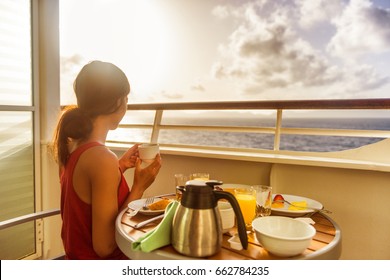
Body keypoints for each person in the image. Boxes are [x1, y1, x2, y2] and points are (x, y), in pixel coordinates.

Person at [50, 60, 162, 259]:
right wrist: (139, 186)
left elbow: (84, 192)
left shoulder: (72, 145)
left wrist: (119, 167)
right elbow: (105, 246)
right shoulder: (102, 159)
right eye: (126, 98)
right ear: (117, 101)